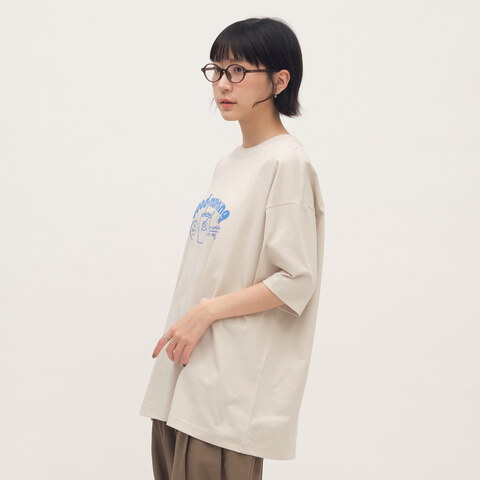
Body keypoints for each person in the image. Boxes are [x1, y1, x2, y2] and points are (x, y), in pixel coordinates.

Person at [139, 16, 325, 480]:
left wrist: (205, 312)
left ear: (280, 81)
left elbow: (296, 280)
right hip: (184, 380)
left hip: (226, 395)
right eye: (217, 70)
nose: (223, 83)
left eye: (239, 70)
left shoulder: (287, 163)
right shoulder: (228, 165)